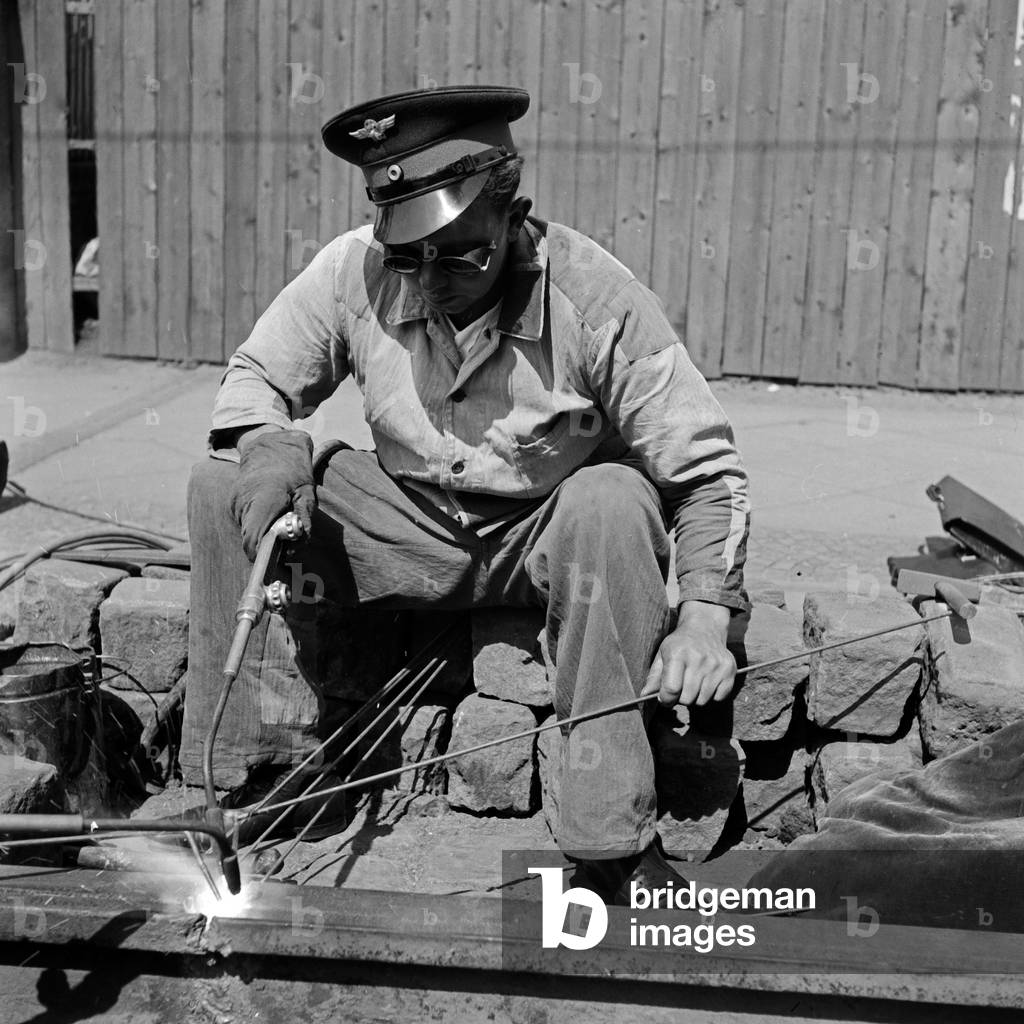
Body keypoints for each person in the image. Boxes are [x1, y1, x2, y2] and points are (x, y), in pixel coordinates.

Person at [180, 85, 751, 902]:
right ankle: (268, 775)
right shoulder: (356, 268)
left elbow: (708, 475)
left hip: (543, 532)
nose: (430, 279)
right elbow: (257, 376)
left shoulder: (593, 296)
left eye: (459, 255)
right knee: (220, 481)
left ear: (509, 210)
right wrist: (271, 445)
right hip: (406, 522)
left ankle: (609, 844)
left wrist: (704, 615)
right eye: (410, 256)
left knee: (615, 497)